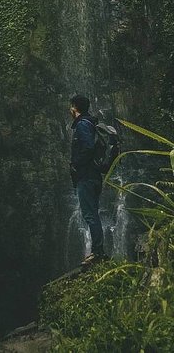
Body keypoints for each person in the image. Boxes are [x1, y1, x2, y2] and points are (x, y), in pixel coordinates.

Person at [69, 93, 107, 265]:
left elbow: (88, 147)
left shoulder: (83, 125)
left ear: (74, 107)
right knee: (93, 214)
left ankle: (97, 253)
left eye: (71, 106)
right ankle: (98, 252)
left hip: (87, 176)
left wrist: (75, 164)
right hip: (94, 176)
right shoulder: (91, 123)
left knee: (90, 215)